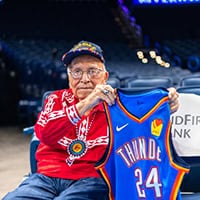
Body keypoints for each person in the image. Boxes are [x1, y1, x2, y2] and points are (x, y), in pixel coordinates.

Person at [3, 40, 179, 200]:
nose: (85, 79)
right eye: (77, 71)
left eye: (92, 71)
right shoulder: (55, 99)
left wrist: (167, 104)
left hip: (92, 179)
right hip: (45, 179)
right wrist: (88, 103)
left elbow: (145, 122)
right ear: (69, 76)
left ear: (105, 76)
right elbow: (45, 134)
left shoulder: (117, 104)